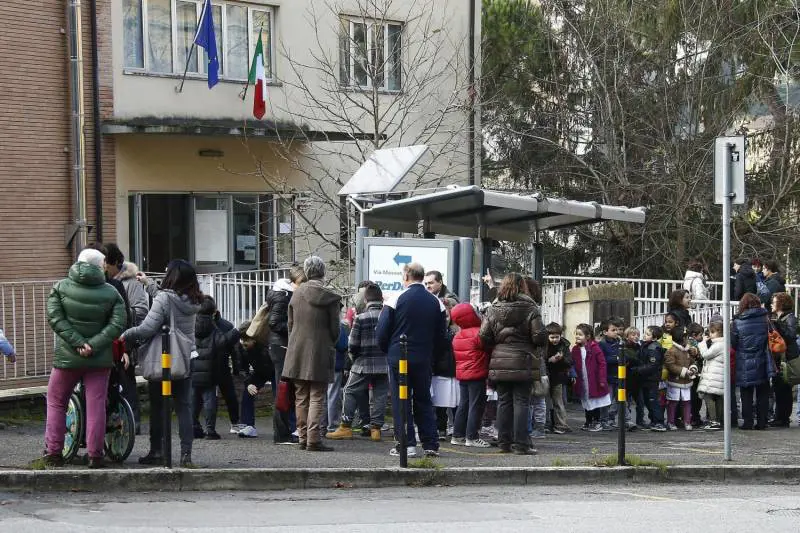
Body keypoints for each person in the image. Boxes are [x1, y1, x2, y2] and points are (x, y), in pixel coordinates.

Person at [42, 248, 127, 468]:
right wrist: (94, 345)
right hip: (99, 359)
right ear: (100, 265)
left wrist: (78, 342)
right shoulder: (111, 292)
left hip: (67, 357)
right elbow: (118, 324)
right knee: (97, 404)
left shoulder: (60, 287)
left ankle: (53, 452)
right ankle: (95, 455)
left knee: (56, 401)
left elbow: (55, 318)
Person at [121, 259, 202, 467]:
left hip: (165, 359)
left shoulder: (166, 298)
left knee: (158, 406)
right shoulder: (194, 299)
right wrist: (149, 284)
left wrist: (125, 335)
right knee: (184, 407)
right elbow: (168, 301)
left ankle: (157, 451)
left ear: (172, 276)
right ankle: (186, 455)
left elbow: (147, 328)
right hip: (187, 357)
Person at [377, 262, 447, 458]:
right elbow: (442, 336)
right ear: (422, 277)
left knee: (402, 401)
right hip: (424, 358)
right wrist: (432, 355)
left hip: (399, 357)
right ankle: (430, 444)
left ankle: (406, 444)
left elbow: (382, 332)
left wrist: (389, 351)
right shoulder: (436, 302)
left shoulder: (396, 299)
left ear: (406, 276)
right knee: (424, 399)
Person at [479, 273, 545, 455]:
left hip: (500, 360)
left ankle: (504, 443)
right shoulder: (531, 308)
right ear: (523, 286)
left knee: (503, 402)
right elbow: (539, 337)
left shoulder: (493, 308)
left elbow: (483, 336)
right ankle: (521, 444)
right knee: (522, 402)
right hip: (524, 360)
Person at [282, 256, 341, 452]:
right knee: (317, 396)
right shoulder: (330, 297)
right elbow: (335, 330)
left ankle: (303, 436)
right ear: (323, 272)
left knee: (301, 396)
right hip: (320, 351)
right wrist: (328, 342)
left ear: (306, 272)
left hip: (297, 351)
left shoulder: (296, 294)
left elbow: (290, 325)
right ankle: (313, 439)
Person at [327, 284, 389, 441]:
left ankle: (345, 427)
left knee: (349, 391)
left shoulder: (361, 318)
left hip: (362, 363)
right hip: (384, 364)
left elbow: (353, 344)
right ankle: (376, 429)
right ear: (381, 299)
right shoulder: (388, 317)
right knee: (380, 396)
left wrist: (353, 358)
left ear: (366, 300)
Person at [191, 296, 240, 440]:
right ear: (214, 311)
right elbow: (223, 342)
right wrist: (236, 332)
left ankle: (193, 427)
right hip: (213, 368)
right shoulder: (217, 326)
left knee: (194, 398)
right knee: (210, 399)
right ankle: (210, 430)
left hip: (193, 367)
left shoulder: (190, 323)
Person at [266, 267, 306, 444]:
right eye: (301, 283)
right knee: (282, 390)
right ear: (294, 282)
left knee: (284, 389)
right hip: (281, 346)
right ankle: (281, 433)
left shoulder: (283, 293)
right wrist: (295, 327)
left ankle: (285, 431)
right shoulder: (283, 296)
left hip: (280, 345)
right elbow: (274, 323)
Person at [449, 303, 490, 447]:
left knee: (463, 404)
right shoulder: (479, 333)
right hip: (477, 373)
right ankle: (472, 437)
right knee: (476, 405)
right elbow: (488, 348)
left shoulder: (457, 335)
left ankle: (457, 435)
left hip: (463, 374)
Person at [732, 293, 774, 430]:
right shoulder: (765, 318)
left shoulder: (737, 322)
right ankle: (762, 422)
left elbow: (733, 342)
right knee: (763, 392)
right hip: (762, 358)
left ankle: (748, 422)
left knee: (746, 393)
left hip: (744, 360)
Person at [234, 323, 275, 438]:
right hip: (260, 371)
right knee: (247, 393)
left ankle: (289, 427)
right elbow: (242, 368)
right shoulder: (241, 348)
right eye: (242, 339)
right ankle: (248, 426)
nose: (244, 343)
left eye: (246, 339)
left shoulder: (266, 343)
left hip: (275, 370)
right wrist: (248, 383)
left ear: (255, 338)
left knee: (280, 396)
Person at [571, 323, 610, 432]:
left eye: (580, 334)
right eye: (576, 334)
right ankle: (588, 421)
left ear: (588, 336)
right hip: (582, 380)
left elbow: (602, 364)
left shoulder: (594, 348)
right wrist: (572, 375)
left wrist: (602, 379)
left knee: (595, 401)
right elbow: (572, 363)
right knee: (586, 401)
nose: (577, 336)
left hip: (593, 380)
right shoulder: (575, 349)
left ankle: (597, 422)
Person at [102, 243, 150, 325]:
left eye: (107, 267)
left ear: (116, 262)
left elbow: (141, 311)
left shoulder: (132, 281)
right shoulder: (103, 280)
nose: (104, 270)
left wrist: (117, 312)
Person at [770, 292, 797, 428]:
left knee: (784, 388)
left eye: (774, 302)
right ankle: (779, 416)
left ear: (781, 304)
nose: (771, 304)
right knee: (779, 387)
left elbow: (791, 336)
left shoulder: (790, 318)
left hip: (787, 358)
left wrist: (779, 325)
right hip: (780, 357)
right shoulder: (779, 318)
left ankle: (783, 418)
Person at [321, 318, 350, 437]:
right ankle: (332, 426)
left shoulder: (318, 321)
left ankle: (321, 426)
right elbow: (343, 345)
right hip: (334, 363)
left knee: (321, 397)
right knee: (333, 396)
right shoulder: (338, 325)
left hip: (318, 364)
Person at [664, 328, 697, 431]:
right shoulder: (671, 350)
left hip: (686, 381)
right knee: (673, 402)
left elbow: (692, 361)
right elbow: (670, 365)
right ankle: (671, 422)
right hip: (675, 381)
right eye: (686, 338)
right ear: (682, 338)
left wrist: (693, 368)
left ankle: (687, 422)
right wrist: (684, 371)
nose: (687, 340)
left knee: (687, 402)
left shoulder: (687, 350)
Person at [543, 322, 573, 434]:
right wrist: (549, 360)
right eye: (552, 337)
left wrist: (561, 359)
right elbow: (541, 360)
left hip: (558, 377)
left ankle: (560, 425)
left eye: (557, 337)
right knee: (545, 402)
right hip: (545, 376)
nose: (555, 340)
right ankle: (546, 424)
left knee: (558, 402)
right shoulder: (544, 345)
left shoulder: (564, 345)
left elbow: (570, 362)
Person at [598, 318, 626, 430]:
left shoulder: (619, 342)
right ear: (605, 332)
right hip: (608, 376)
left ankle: (613, 419)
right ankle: (603, 420)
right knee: (607, 400)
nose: (616, 332)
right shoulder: (602, 344)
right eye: (613, 330)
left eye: (617, 330)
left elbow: (624, 355)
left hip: (619, 376)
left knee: (619, 399)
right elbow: (602, 360)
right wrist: (616, 359)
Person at [698, 321, 725, 430]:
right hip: (718, 375)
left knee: (708, 396)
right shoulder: (723, 343)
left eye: (713, 332)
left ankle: (714, 421)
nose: (710, 334)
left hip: (714, 375)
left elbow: (706, 355)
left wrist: (702, 343)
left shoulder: (718, 344)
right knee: (718, 397)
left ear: (719, 332)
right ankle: (718, 420)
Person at [638, 326, 666, 431]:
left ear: (654, 338)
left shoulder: (654, 348)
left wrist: (638, 370)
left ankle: (659, 422)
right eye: (645, 333)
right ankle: (654, 421)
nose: (644, 335)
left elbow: (652, 365)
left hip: (652, 379)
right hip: (646, 378)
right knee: (648, 400)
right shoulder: (645, 345)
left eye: (648, 334)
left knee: (653, 400)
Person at [622, 326, 644, 429]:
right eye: (633, 335)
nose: (636, 337)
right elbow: (631, 359)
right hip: (627, 378)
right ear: (627, 336)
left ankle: (640, 420)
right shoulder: (624, 347)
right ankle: (627, 421)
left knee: (640, 402)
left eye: (638, 335)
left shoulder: (640, 347)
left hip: (637, 379)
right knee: (626, 401)